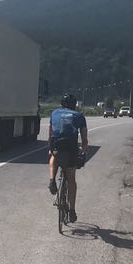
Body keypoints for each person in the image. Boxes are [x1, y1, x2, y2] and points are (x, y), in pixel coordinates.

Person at [48, 93, 88, 223]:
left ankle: (52, 180)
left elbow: (50, 136)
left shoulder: (54, 113)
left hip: (58, 145)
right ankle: (72, 210)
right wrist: (83, 152)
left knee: (53, 154)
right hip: (71, 148)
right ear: (74, 105)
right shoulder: (79, 116)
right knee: (71, 178)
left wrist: (50, 148)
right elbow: (84, 140)